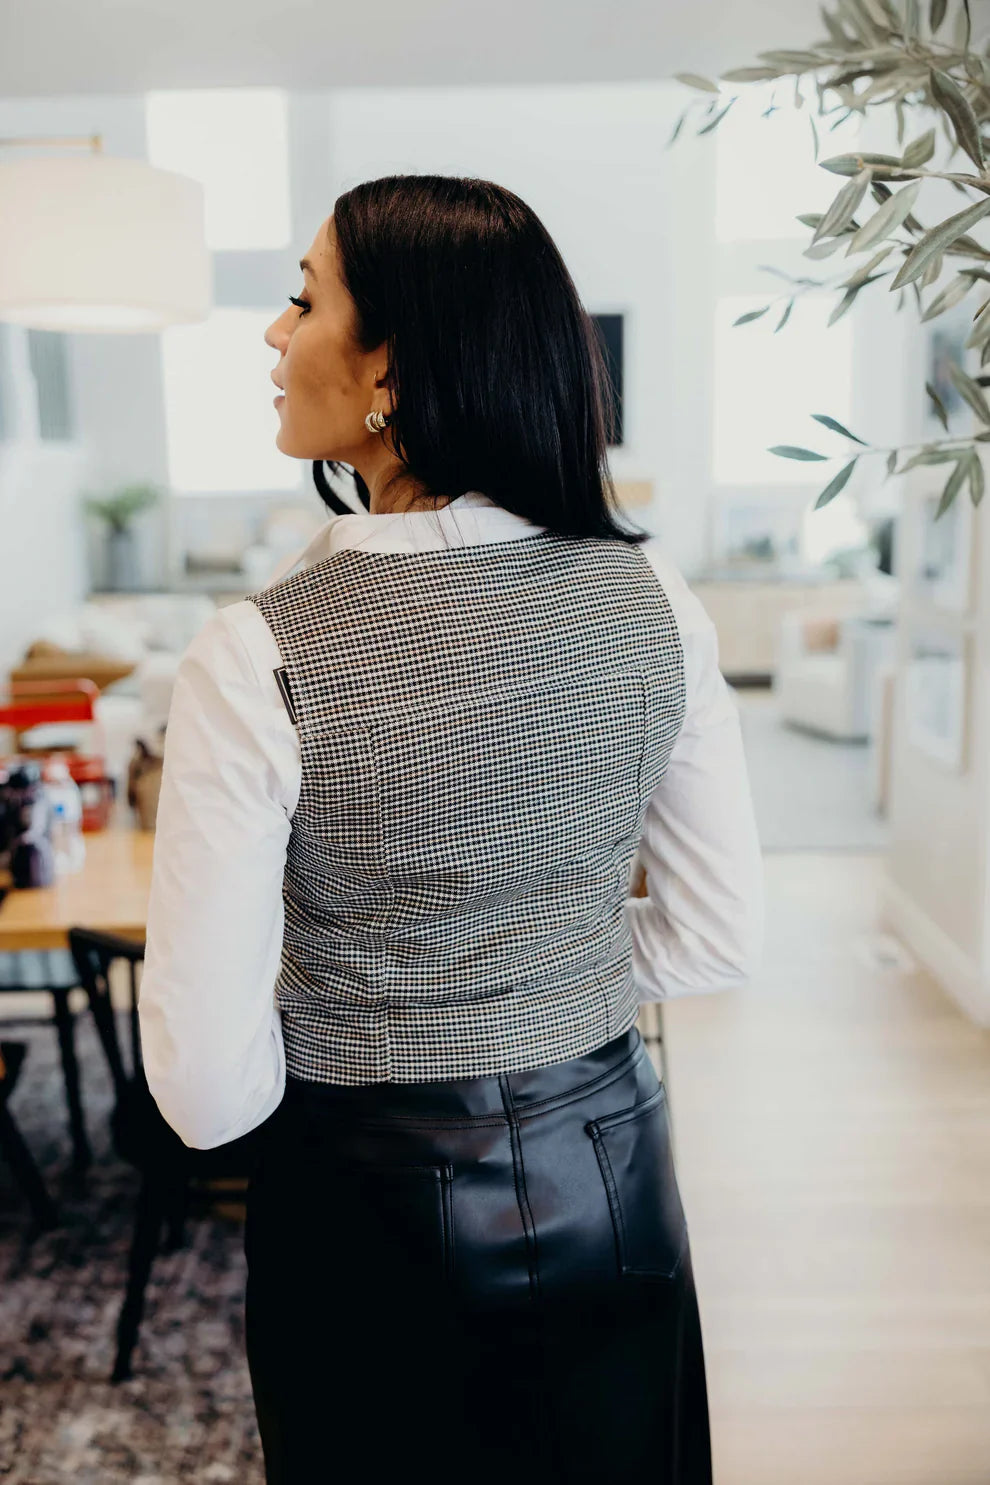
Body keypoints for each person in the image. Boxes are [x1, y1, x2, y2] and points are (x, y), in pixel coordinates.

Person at [138, 174, 764, 1485]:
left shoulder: (259, 651)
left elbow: (205, 1091)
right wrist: (531, 976)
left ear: (389, 367)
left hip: (366, 1208)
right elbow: (715, 939)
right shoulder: (654, 595)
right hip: (611, 1172)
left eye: (304, 300)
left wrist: (392, 1003)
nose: (274, 334)